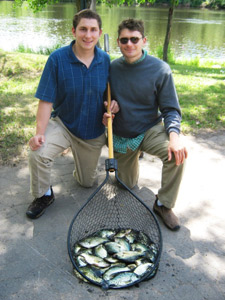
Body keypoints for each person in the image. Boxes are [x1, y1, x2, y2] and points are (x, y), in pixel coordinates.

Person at [26, 9, 119, 219]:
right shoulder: (57, 59)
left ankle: (80, 164)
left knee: (86, 183)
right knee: (39, 152)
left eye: (93, 30)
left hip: (92, 131)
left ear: (100, 32)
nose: (88, 35)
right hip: (64, 124)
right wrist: (40, 132)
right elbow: (46, 100)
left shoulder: (106, 61)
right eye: (83, 29)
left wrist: (112, 106)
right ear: (73, 31)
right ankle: (43, 195)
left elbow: (111, 98)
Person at [103, 18, 188, 231]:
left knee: (176, 155)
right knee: (125, 185)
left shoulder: (161, 69)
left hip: (149, 128)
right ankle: (133, 159)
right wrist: (107, 109)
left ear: (144, 41)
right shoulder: (110, 68)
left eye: (134, 39)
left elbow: (171, 110)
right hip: (123, 133)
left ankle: (164, 205)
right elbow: (102, 103)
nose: (129, 44)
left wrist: (174, 139)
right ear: (118, 42)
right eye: (124, 40)